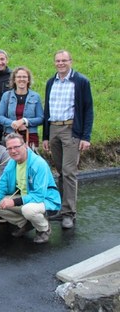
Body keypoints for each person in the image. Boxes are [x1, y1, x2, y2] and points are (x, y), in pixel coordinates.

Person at [0, 133, 61, 244]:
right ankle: (26, 224)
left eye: (16, 147)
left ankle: (44, 229)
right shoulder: (12, 163)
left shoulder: (39, 164)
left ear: (25, 145)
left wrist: (14, 201)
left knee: (28, 210)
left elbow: (39, 195)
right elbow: (1, 187)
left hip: (45, 200)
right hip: (27, 198)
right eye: (9, 148)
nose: (13, 151)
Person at [43, 50, 94, 230]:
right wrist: (46, 136)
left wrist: (85, 137)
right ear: (54, 62)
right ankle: (62, 208)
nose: (61, 63)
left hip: (72, 129)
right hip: (54, 128)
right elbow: (47, 109)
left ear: (71, 61)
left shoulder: (80, 82)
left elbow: (88, 110)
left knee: (69, 172)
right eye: (58, 60)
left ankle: (69, 213)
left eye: (64, 60)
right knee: (59, 171)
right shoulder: (51, 82)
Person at [0, 67, 44, 148]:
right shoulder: (6, 96)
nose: (22, 79)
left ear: (28, 80)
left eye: (24, 77)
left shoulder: (35, 96)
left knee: (30, 160)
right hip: (11, 136)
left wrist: (24, 121)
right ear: (14, 80)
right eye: (18, 77)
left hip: (30, 136)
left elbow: (41, 118)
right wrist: (13, 123)